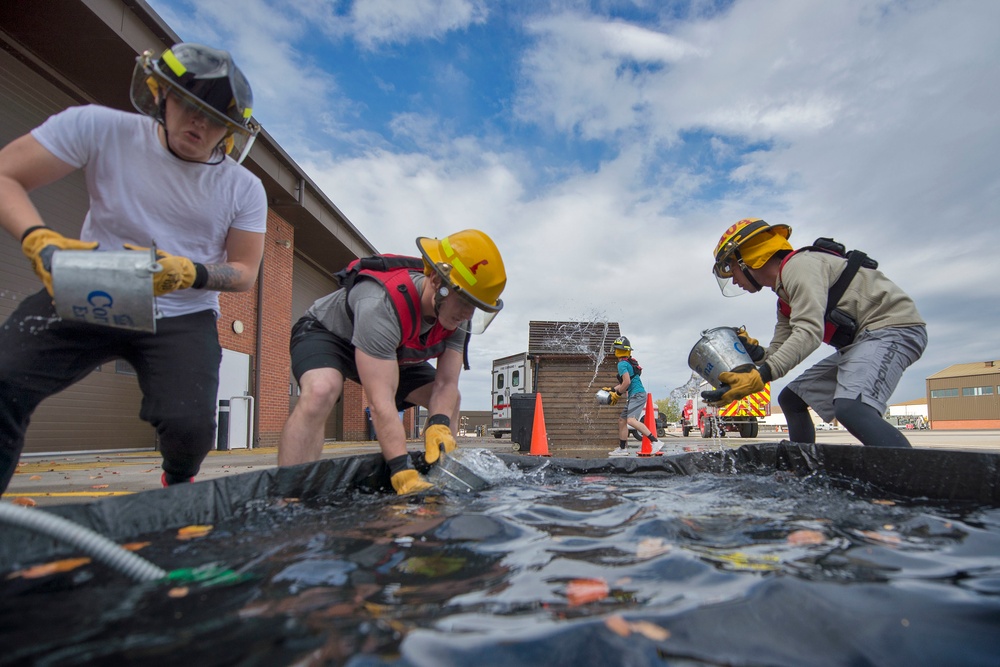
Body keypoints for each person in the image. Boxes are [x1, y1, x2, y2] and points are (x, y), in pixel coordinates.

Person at [0, 43, 266, 491]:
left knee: (190, 428)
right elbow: (7, 174)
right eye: (189, 105)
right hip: (95, 284)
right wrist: (39, 244)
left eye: (216, 118)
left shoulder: (244, 188)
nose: (199, 124)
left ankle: (177, 484)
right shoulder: (97, 127)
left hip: (183, 309)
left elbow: (244, 271)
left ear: (231, 130)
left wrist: (192, 273)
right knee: (4, 378)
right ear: (160, 94)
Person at [277, 229, 506, 494]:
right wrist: (401, 469)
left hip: (393, 352)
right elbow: (380, 401)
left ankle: (444, 477)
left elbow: (446, 384)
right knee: (321, 390)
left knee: (449, 402)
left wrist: (439, 423)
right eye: (464, 299)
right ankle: (289, 494)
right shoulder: (381, 303)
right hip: (331, 335)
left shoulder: (458, 320)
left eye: (476, 305)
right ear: (435, 280)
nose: (467, 313)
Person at [706, 218, 927, 448]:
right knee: (791, 400)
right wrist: (755, 353)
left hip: (895, 328)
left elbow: (809, 332)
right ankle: (802, 473)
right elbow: (778, 353)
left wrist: (760, 377)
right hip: (864, 340)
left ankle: (912, 478)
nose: (733, 278)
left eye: (731, 268)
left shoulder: (800, 267)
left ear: (748, 258)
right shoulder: (784, 299)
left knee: (852, 408)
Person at [603, 336, 662, 457]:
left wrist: (618, 394)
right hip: (635, 395)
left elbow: (626, 383)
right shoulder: (628, 362)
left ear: (617, 350)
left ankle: (655, 442)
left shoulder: (622, 364)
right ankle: (622, 448)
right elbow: (624, 382)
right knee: (622, 421)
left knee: (631, 420)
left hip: (637, 395)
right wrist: (612, 389)